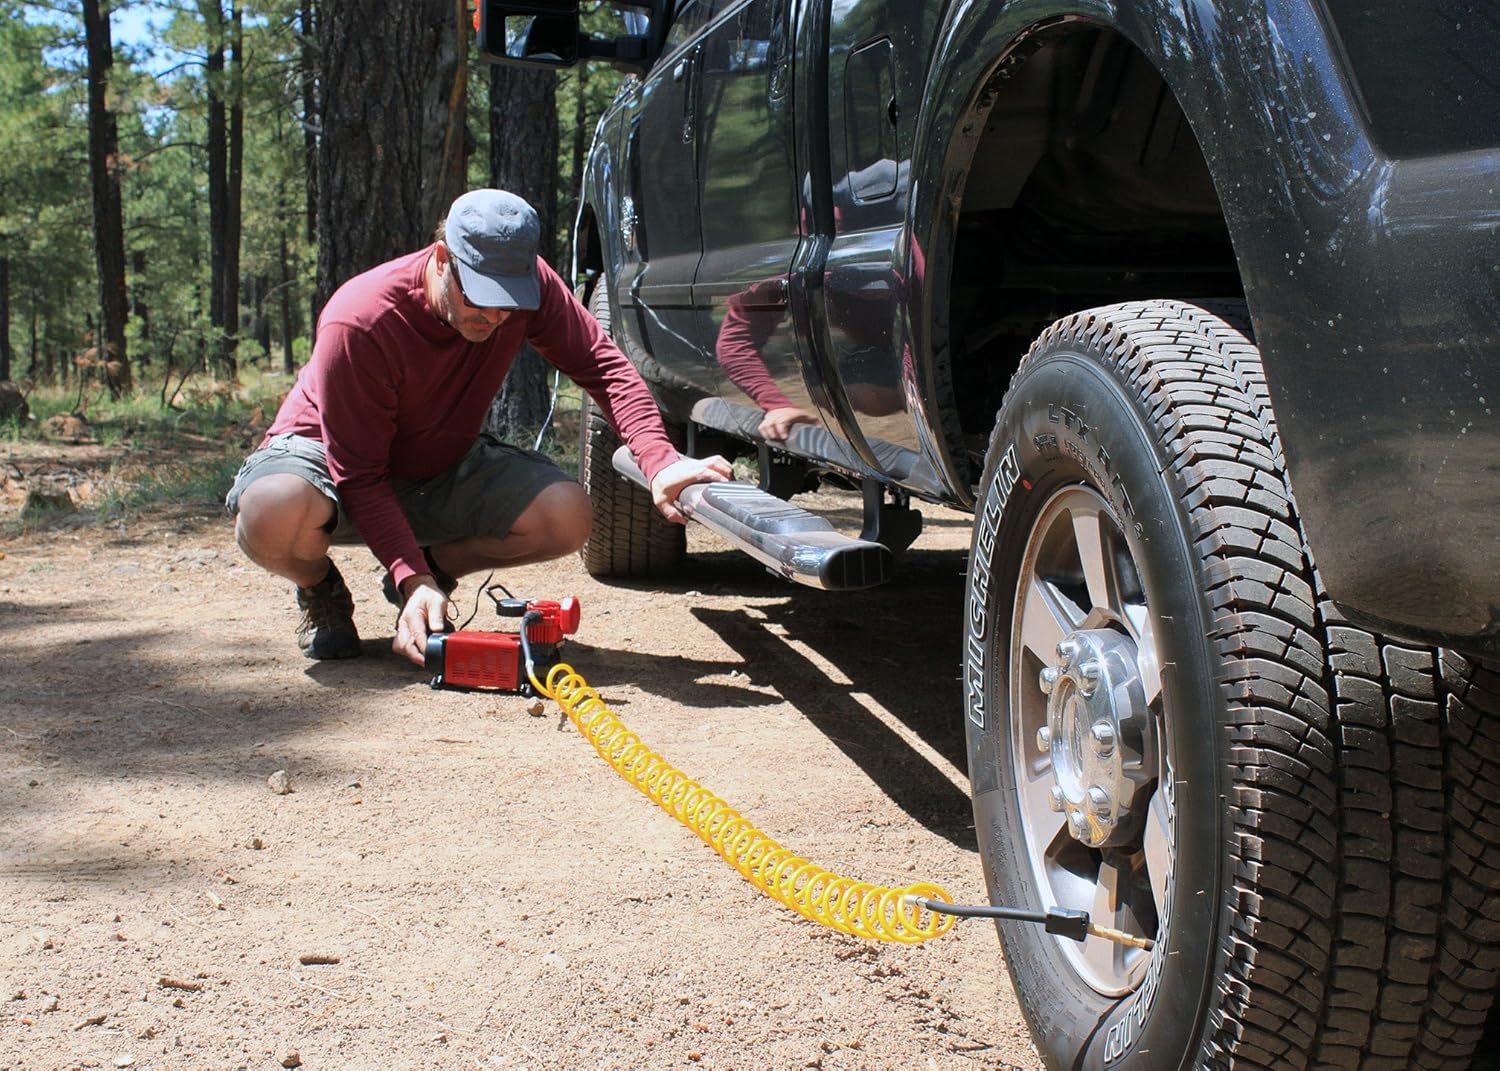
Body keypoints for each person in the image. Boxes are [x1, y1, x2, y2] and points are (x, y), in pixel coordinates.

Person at [226, 189, 731, 666]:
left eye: (507, 300)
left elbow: (603, 365)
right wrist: (410, 579)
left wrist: (661, 461)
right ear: (442, 259)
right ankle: (319, 587)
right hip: (328, 464)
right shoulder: (360, 319)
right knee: (273, 510)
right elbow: (358, 473)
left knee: (566, 516)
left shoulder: (527, 286)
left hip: (439, 465)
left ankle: (435, 565)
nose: (493, 316)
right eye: (480, 297)